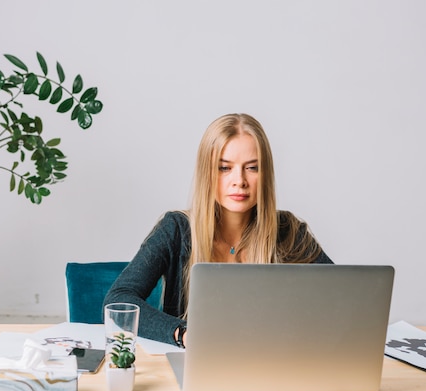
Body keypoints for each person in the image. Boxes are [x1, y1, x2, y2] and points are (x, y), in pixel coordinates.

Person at [103, 113, 332, 346]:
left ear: (265, 175)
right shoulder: (176, 229)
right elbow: (119, 299)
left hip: (272, 367)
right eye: (224, 168)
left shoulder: (289, 231)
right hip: (197, 367)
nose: (239, 180)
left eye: (252, 168)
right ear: (207, 173)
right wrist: (183, 333)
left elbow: (343, 297)